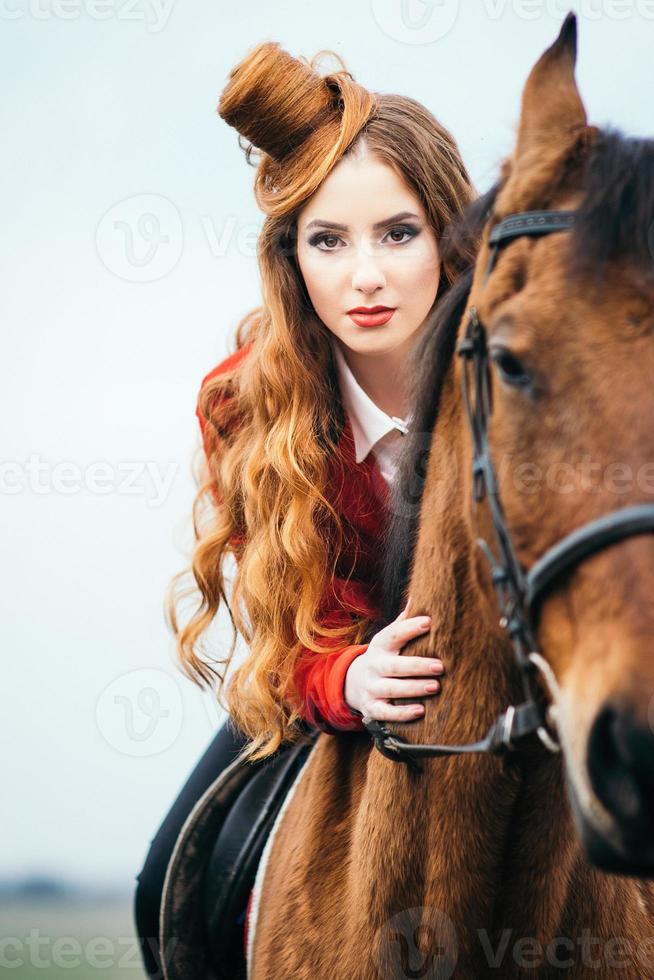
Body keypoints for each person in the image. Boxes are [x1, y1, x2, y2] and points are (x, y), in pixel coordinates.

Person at [134, 39, 476, 978]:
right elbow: (289, 634)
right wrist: (351, 683)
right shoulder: (243, 404)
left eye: (397, 234)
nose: (365, 275)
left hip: (514, 674)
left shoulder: (522, 380)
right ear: (292, 255)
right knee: (165, 876)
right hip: (329, 672)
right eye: (329, 240)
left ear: (450, 236)